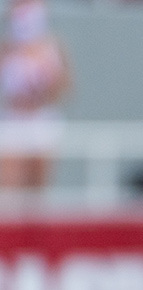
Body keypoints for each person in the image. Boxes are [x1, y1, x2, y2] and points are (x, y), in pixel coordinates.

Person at [0, 0, 71, 193]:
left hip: (41, 121)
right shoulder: (6, 50)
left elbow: (65, 88)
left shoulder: (52, 48)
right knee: (8, 187)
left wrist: (45, 84)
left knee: (38, 190)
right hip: (14, 121)